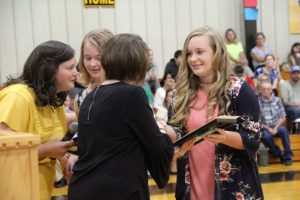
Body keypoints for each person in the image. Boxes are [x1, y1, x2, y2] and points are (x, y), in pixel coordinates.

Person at [67, 33, 176, 200]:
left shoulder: (89, 97)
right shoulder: (131, 94)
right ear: (138, 64)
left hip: (82, 186)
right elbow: (155, 144)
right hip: (117, 188)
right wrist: (168, 134)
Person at [165, 26, 263, 199]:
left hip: (233, 189)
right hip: (192, 186)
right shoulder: (181, 94)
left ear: (217, 53)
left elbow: (253, 138)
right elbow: (177, 132)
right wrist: (164, 131)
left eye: (199, 52)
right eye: (188, 54)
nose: (192, 59)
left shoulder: (239, 90)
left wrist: (224, 136)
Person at [0, 40, 77, 200]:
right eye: (70, 68)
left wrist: (66, 161)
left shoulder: (54, 101)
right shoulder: (18, 96)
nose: (76, 73)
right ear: (48, 70)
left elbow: (55, 143)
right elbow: (4, 152)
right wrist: (47, 150)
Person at [74, 29, 114, 117]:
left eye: (99, 58)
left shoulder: (128, 92)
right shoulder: (80, 99)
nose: (92, 64)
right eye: (88, 58)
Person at [258, 81, 293, 166]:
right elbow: (257, 121)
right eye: (264, 89)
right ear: (260, 90)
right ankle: (279, 154)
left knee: (284, 131)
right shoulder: (257, 102)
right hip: (264, 127)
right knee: (265, 136)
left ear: (271, 90)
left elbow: (283, 117)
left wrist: (276, 128)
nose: (266, 91)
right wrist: (268, 128)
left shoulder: (277, 100)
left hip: (277, 125)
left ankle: (288, 156)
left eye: (268, 89)